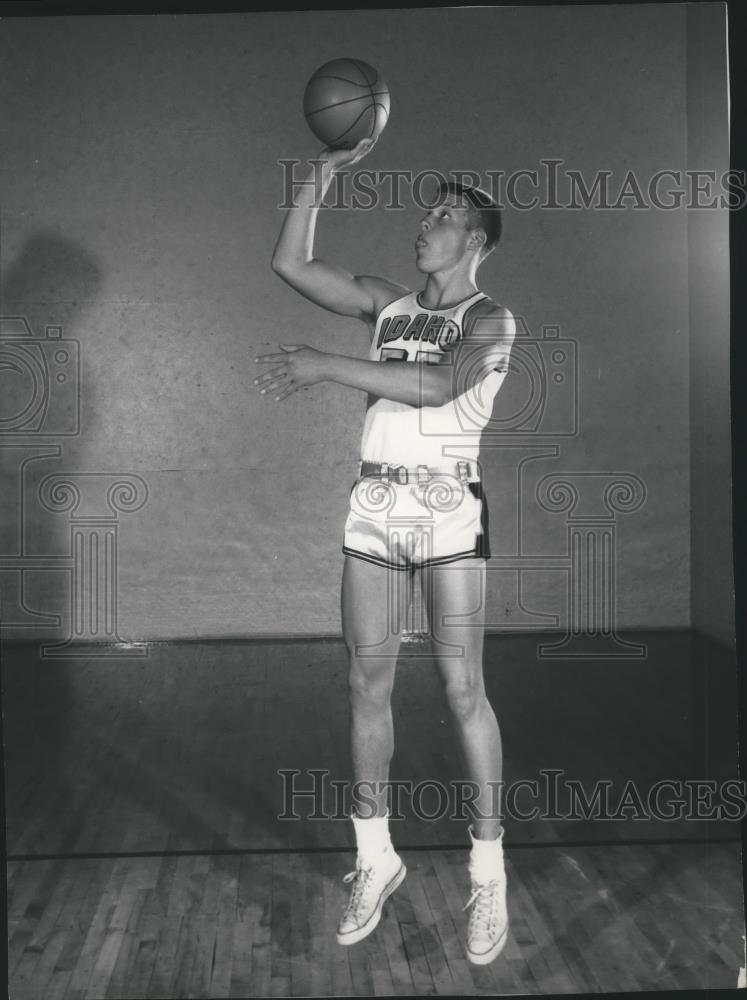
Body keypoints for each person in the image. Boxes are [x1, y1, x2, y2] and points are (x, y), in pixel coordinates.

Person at [256, 137, 515, 966]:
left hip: (446, 506)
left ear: (473, 240)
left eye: (443, 217)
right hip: (376, 499)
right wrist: (316, 178)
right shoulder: (388, 305)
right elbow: (291, 264)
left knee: (460, 686)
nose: (425, 224)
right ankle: (374, 859)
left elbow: (440, 387)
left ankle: (487, 874)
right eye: (428, 211)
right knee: (365, 681)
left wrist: (327, 368)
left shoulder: (489, 318)